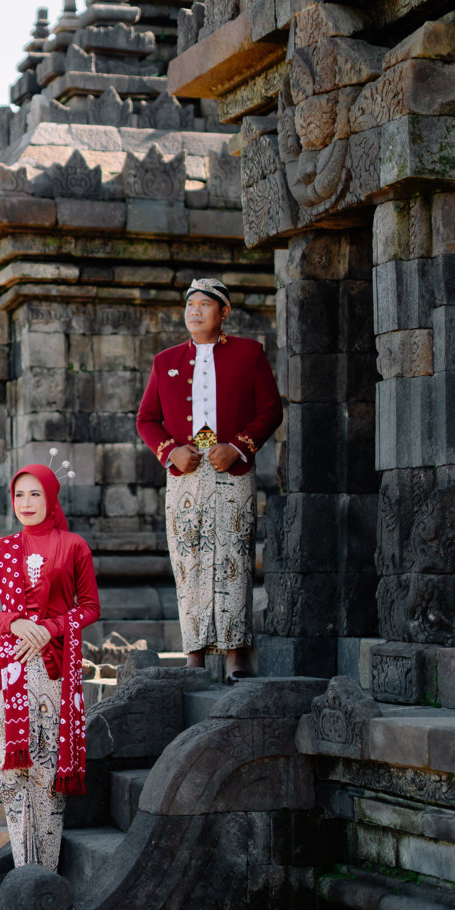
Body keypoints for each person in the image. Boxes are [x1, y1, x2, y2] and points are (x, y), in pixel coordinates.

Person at [136, 277, 283, 680]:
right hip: (185, 474)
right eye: (190, 304)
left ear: (224, 312)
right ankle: (195, 655)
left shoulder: (249, 354)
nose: (195, 311)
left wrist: (237, 447)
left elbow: (270, 410)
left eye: (205, 304)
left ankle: (235, 656)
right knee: (189, 559)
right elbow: (146, 419)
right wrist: (171, 451)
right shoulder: (165, 361)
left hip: (231, 469)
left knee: (234, 556)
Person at [0, 463, 100, 870]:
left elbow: (90, 607)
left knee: (46, 769)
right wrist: (14, 622)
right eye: (19, 495)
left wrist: (50, 628)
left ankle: (46, 872)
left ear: (51, 497)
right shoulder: (0, 550)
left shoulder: (73, 546)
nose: (26, 503)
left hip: (53, 669)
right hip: (7, 670)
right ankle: (23, 869)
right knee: (11, 770)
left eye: (35, 494)